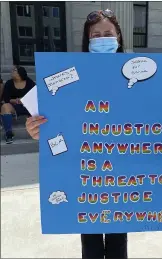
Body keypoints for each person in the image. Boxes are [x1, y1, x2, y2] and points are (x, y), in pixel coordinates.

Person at [25, 9, 127, 259]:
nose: (103, 39)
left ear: (119, 37)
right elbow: (60, 119)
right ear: (88, 40)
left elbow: (152, 117)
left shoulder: (138, 73)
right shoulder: (70, 74)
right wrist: (39, 131)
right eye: (96, 35)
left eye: (108, 34)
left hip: (123, 167)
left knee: (118, 240)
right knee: (90, 240)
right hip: (84, 168)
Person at [1, 66, 35, 144]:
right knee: (4, 107)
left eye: (15, 71)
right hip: (14, 106)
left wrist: (25, 100)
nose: (12, 72)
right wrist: (16, 100)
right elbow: (6, 99)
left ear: (20, 74)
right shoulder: (9, 83)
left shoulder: (29, 82)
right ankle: (9, 134)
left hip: (28, 106)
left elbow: (35, 94)